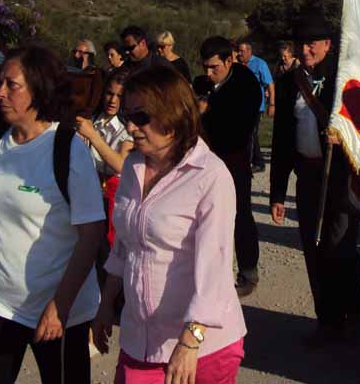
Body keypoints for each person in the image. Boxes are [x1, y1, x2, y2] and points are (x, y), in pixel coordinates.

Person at [92, 66, 246, 383]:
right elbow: (123, 245)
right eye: (127, 116)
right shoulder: (133, 167)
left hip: (201, 347)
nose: (130, 126)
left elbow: (215, 269)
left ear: (172, 115)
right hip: (141, 339)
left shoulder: (210, 176)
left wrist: (190, 340)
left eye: (141, 117)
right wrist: (106, 303)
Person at [0, 46, 106, 384]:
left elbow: (91, 234)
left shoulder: (67, 149)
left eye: (11, 85)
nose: (0, 93)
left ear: (39, 89)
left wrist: (61, 305)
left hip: (57, 310)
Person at [270, 11, 360, 347]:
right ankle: (328, 319)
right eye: (301, 43)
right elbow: (282, 141)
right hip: (309, 177)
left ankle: (355, 310)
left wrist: (344, 136)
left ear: (328, 44)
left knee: (340, 248)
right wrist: (278, 192)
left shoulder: (345, 80)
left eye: (312, 43)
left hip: (341, 177)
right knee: (313, 251)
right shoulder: (289, 83)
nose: (305, 49)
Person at [200, 36, 265, 297]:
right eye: (205, 67)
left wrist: (208, 112)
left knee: (240, 215)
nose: (208, 73)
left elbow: (240, 128)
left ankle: (248, 271)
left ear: (229, 61)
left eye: (214, 67)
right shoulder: (203, 83)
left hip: (234, 160)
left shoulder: (246, 85)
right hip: (205, 163)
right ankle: (212, 274)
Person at [74, 69, 133, 271]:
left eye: (119, 96)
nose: (113, 100)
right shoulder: (92, 120)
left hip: (113, 196)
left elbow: (120, 165)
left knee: (107, 252)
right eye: (109, 93)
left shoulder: (128, 128)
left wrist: (93, 136)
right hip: (88, 188)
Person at [237, 39, 273, 173]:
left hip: (256, 106)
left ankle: (252, 163)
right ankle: (257, 161)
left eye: (242, 51)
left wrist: (272, 104)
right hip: (241, 106)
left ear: (249, 51)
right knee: (247, 133)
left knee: (251, 133)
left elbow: (270, 84)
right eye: (238, 51)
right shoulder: (237, 64)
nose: (239, 53)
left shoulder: (260, 64)